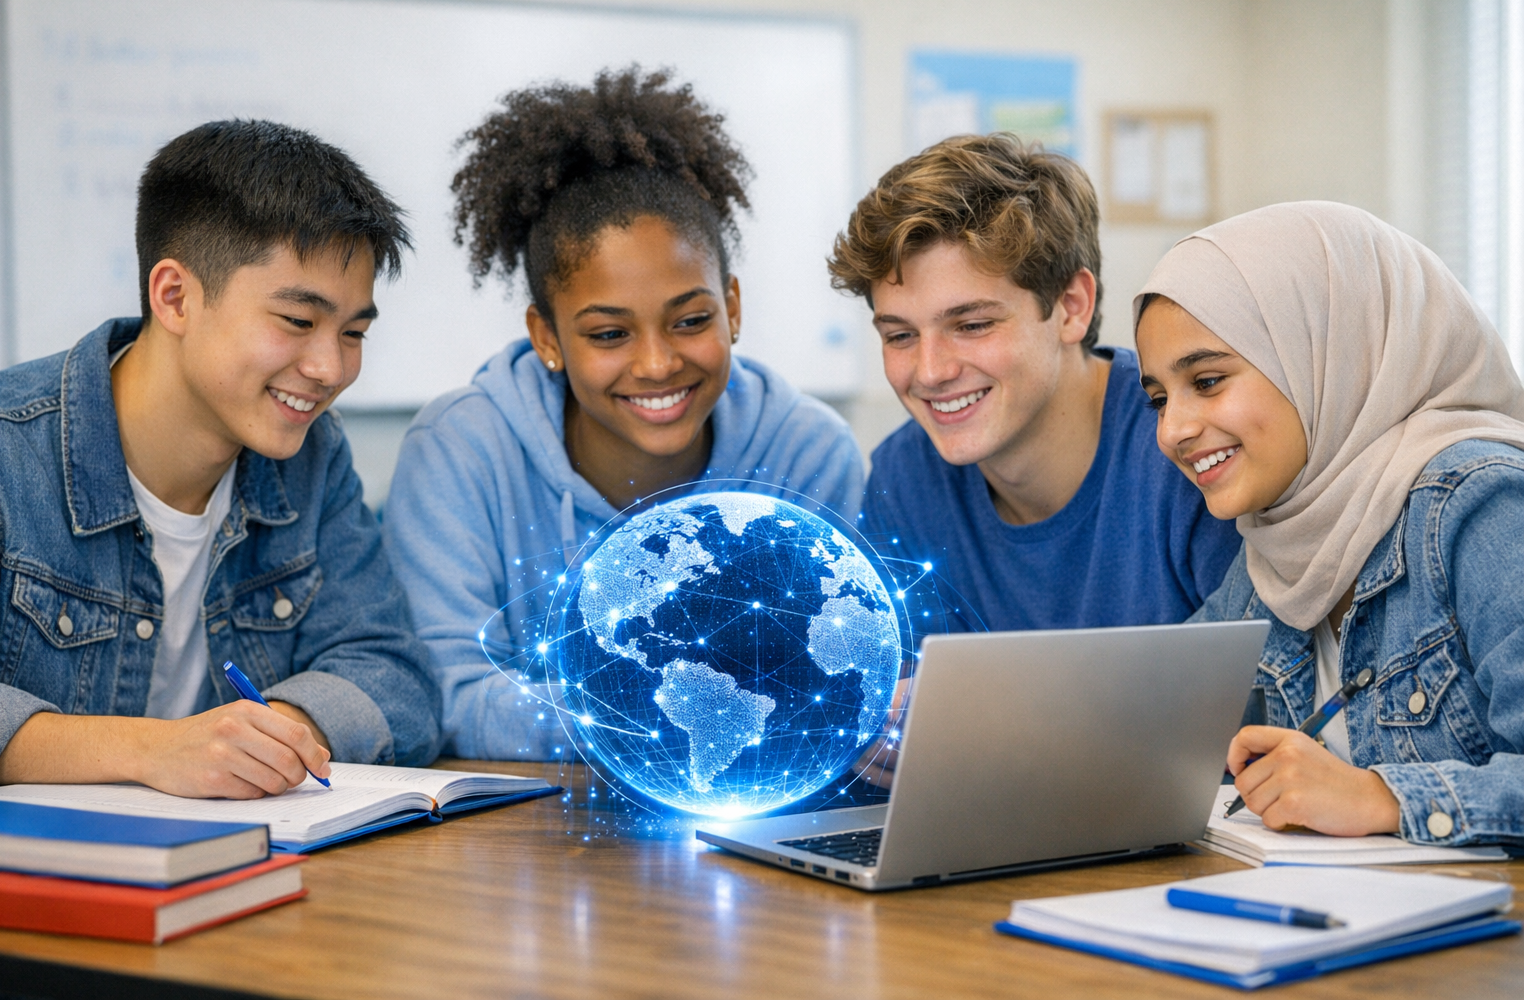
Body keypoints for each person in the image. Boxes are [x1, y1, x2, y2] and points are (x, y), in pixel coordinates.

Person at [382, 68, 864, 761]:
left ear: (732, 305)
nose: (657, 363)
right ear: (547, 337)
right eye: (609, 334)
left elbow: (837, 683)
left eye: (691, 319)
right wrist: (676, 711)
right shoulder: (461, 448)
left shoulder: (809, 451)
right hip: (525, 844)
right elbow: (447, 695)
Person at [0, 119, 441, 798]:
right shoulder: (4, 450)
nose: (329, 368)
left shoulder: (313, 458)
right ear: (175, 297)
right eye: (297, 321)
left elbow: (393, 675)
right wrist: (154, 751)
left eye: (353, 332)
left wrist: (273, 733)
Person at [829, 134, 1240, 786]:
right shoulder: (904, 478)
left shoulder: (1187, 448)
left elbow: (1258, 726)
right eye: (900, 336)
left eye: (971, 325)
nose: (930, 372)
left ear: (1072, 307)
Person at [1137, 200, 1524, 847]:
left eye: (1206, 380)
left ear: (1323, 353)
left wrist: (1379, 798)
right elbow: (1145, 717)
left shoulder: (1478, 504)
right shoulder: (1280, 542)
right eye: (1158, 398)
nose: (1171, 430)